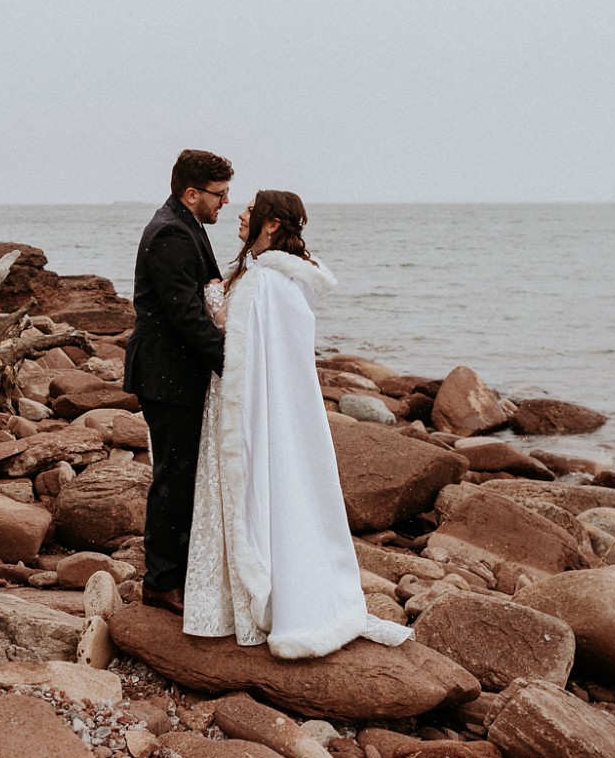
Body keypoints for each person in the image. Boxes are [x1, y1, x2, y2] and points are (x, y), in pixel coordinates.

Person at [182, 190, 413, 659]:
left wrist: (210, 294)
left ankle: (265, 602)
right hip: (287, 405)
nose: (242, 213)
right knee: (294, 488)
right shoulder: (289, 279)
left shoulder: (264, 280)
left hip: (250, 404)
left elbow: (232, 334)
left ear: (270, 225)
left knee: (256, 492)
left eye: (250, 209)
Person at [124, 149, 233, 614]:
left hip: (177, 374)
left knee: (182, 474)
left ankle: (176, 570)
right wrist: (234, 361)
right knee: (173, 477)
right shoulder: (171, 233)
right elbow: (186, 317)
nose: (226, 202)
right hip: (167, 376)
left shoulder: (184, 225)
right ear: (192, 193)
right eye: (220, 194)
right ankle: (161, 581)